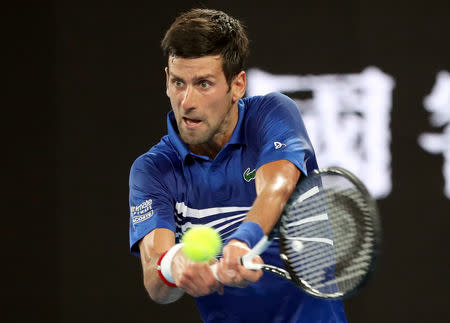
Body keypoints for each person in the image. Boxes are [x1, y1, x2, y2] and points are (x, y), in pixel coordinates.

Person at [129, 8, 347, 322]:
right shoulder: (153, 170)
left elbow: (277, 187)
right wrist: (176, 264)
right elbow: (155, 278)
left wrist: (242, 240)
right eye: (178, 82)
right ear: (166, 80)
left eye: (204, 84)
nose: (187, 101)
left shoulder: (272, 113)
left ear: (238, 85)